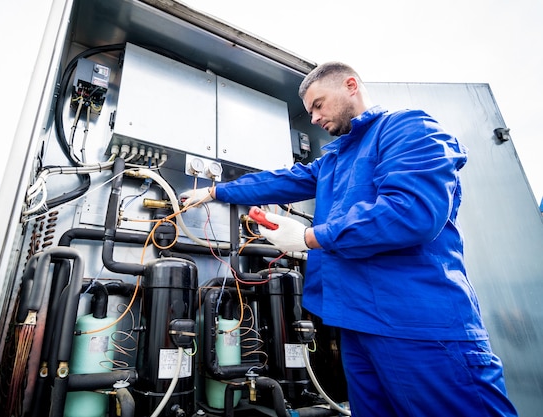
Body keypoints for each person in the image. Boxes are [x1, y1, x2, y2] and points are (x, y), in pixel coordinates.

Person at [181, 62, 518, 417]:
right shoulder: (334, 160)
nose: (313, 118)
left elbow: (411, 212)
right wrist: (216, 191)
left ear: (351, 86)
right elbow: (283, 179)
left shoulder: (407, 127)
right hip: (356, 326)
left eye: (318, 104)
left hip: (419, 326)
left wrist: (310, 237)